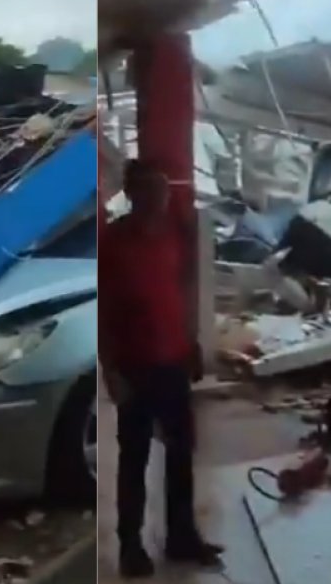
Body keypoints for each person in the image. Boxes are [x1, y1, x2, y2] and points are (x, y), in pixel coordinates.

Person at [100, 159, 223, 579]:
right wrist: (110, 372)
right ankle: (130, 545)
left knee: (181, 454)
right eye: (150, 190)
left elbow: (178, 295)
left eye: (164, 190)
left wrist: (191, 343)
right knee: (133, 459)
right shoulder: (113, 243)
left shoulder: (173, 237)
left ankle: (182, 536)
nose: (159, 198)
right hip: (134, 366)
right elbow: (104, 313)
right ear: (132, 193)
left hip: (173, 362)